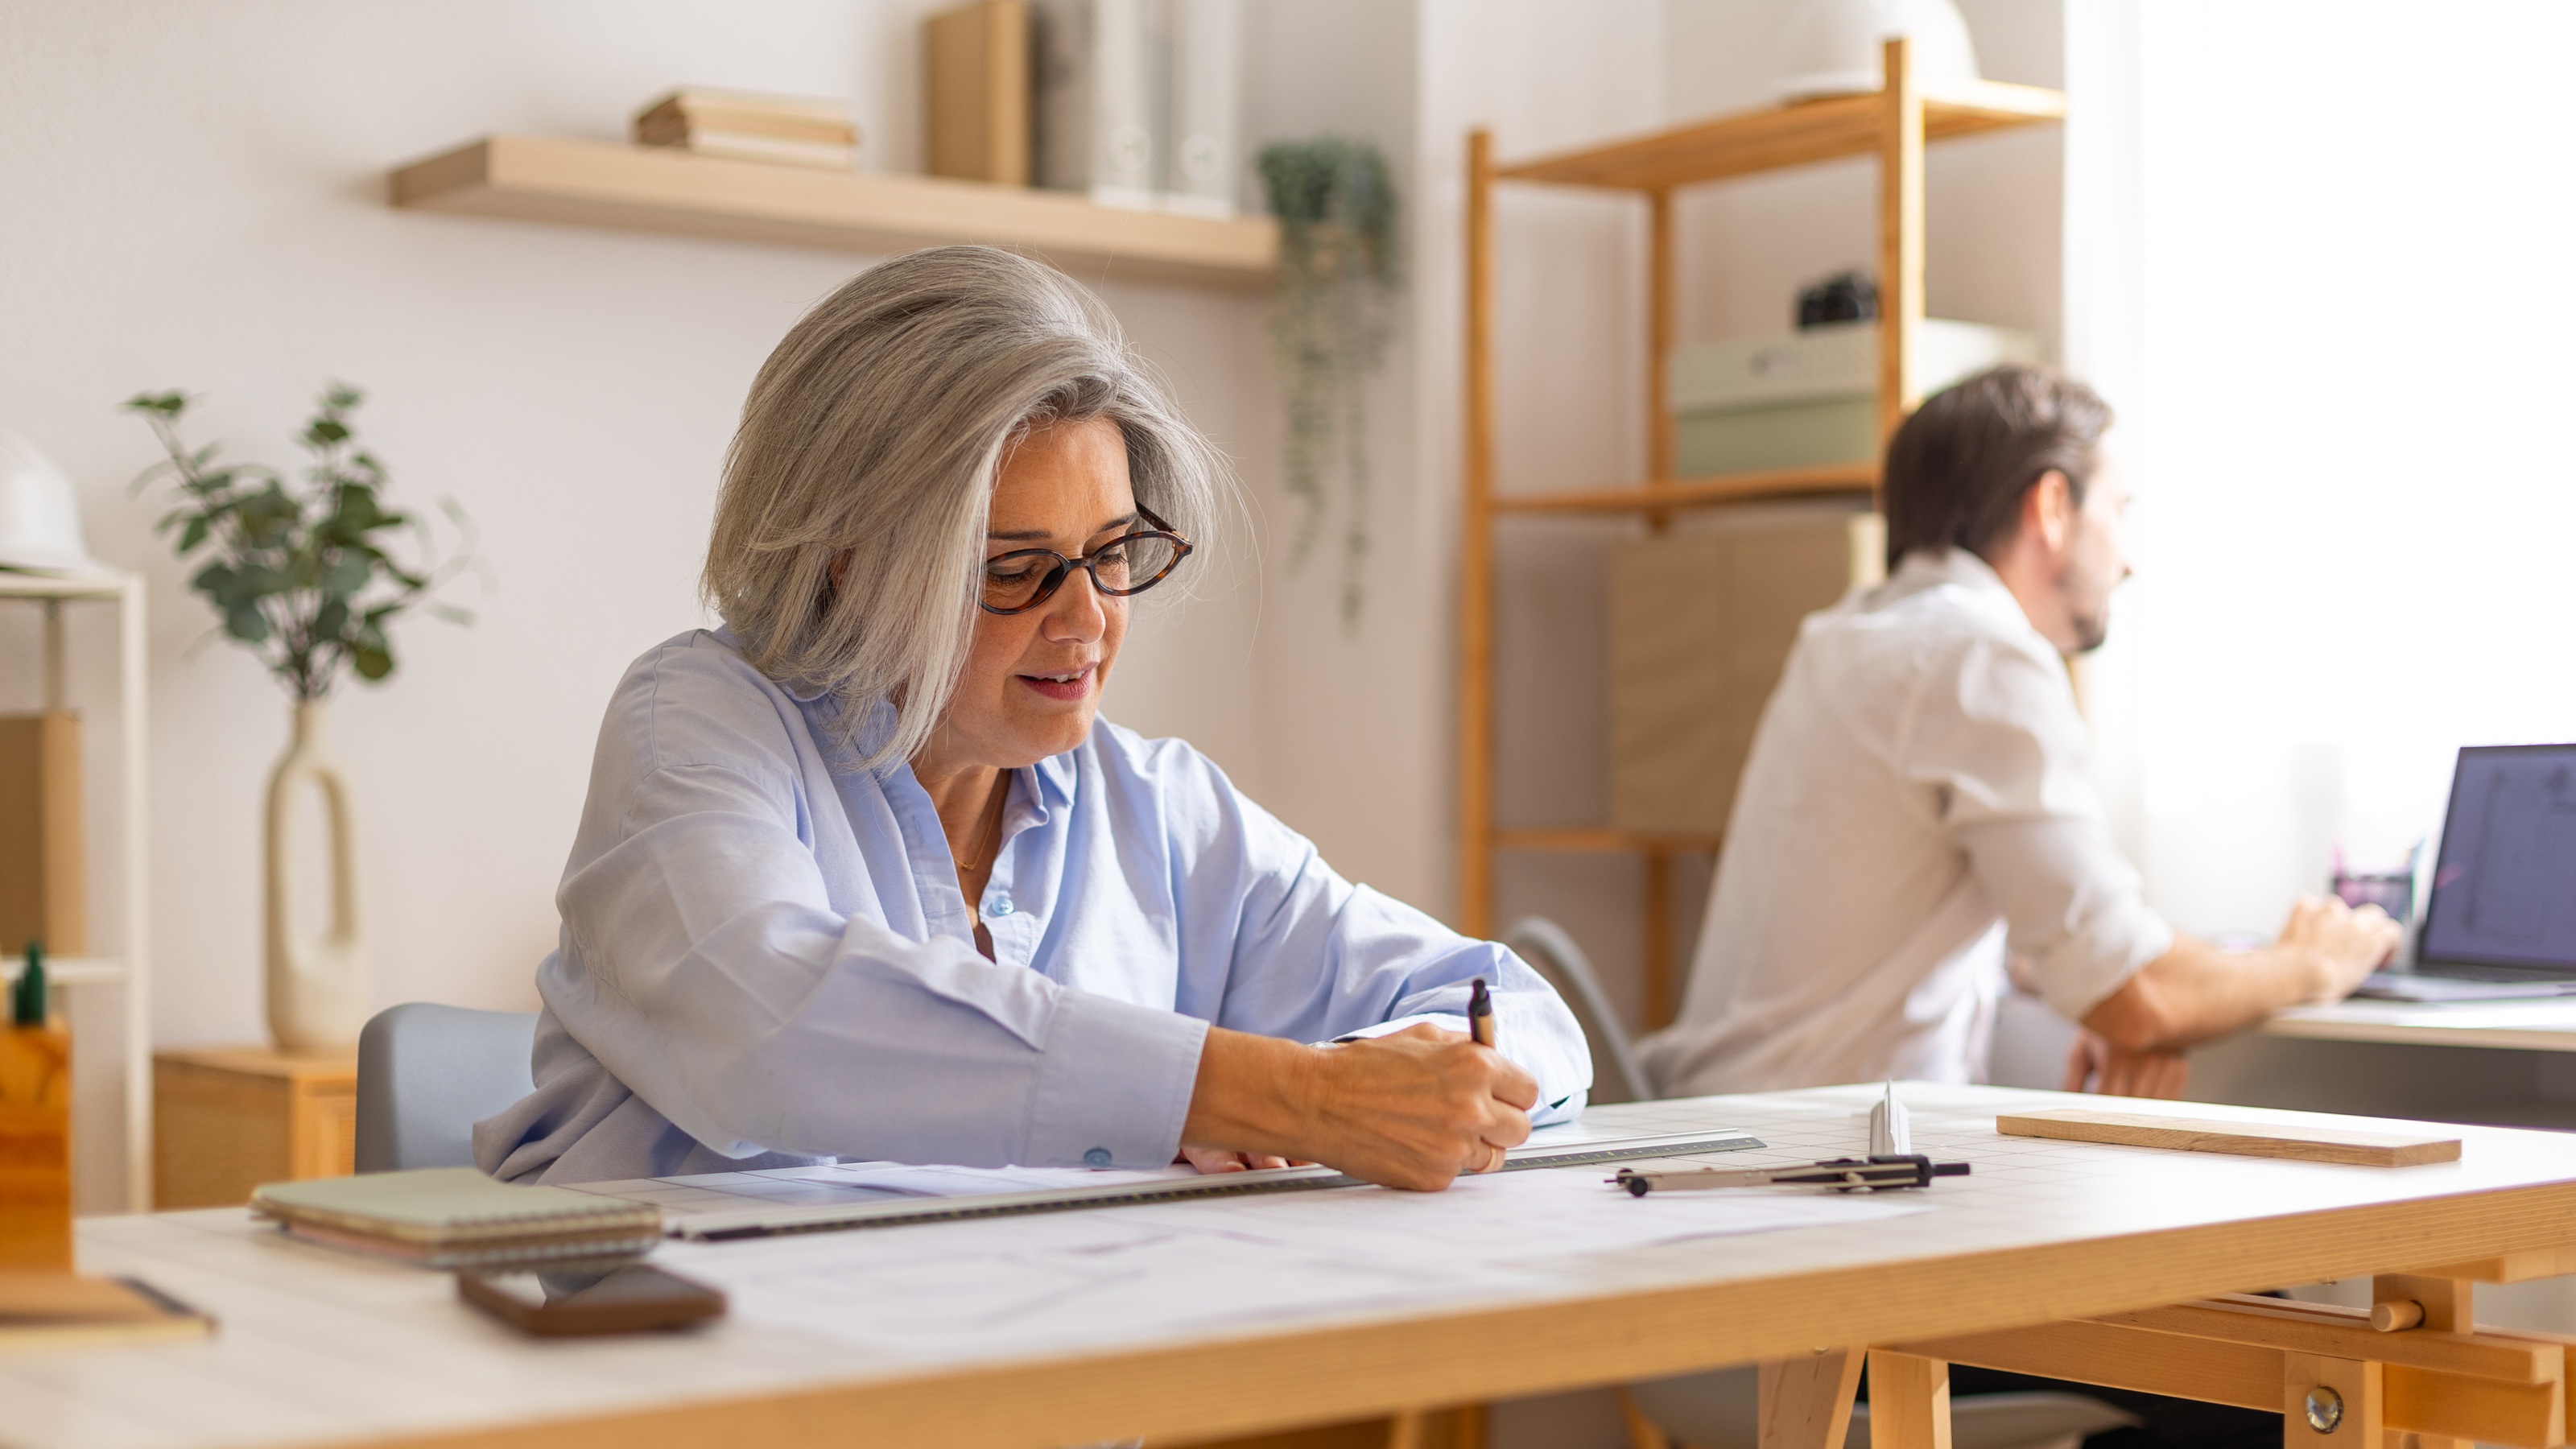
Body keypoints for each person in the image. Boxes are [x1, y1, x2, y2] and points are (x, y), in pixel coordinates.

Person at [477, 246, 1588, 1191]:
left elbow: (1521, 1014)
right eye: (1015, 569)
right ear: (844, 572)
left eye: (1111, 554)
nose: (1089, 622)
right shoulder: (697, 722)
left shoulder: (1160, 809)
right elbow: (781, 1027)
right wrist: (1283, 1096)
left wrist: (1384, 1084)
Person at [1639, 365, 2397, 1100]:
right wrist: (2312, 966)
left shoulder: (1855, 635)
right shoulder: (1978, 656)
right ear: (2053, 508)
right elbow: (2140, 995)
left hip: (1741, 1118)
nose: (2128, 560)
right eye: (2120, 510)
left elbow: (1990, 932)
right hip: (1814, 1166)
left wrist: (2105, 991)